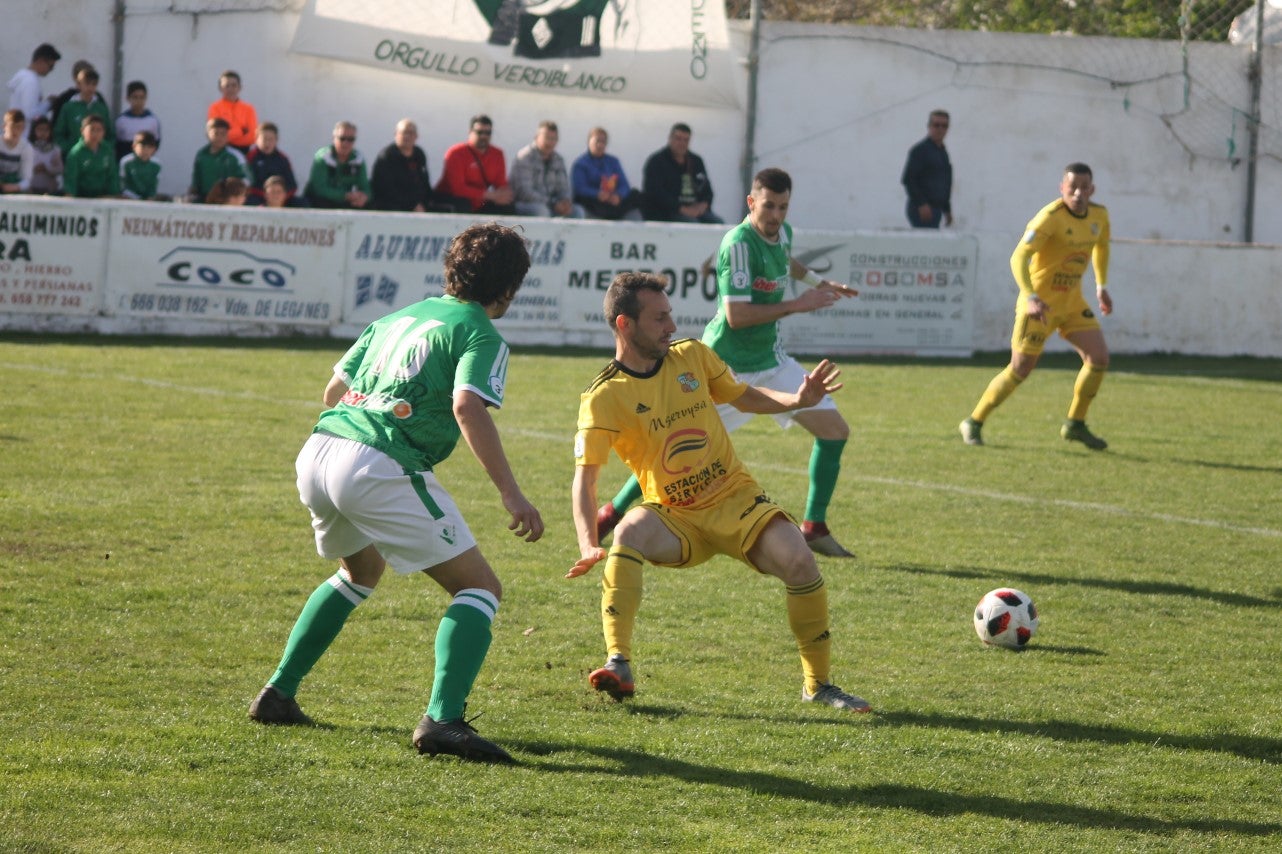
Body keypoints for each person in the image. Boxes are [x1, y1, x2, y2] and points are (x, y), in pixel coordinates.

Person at [249, 222, 544, 765]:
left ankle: (278, 692)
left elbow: (333, 390)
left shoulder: (397, 317)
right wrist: (511, 494)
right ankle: (443, 721)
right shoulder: (480, 332)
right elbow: (466, 406)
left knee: (359, 573)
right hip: (377, 462)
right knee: (479, 588)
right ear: (509, 289)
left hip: (320, 448)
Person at [570, 272, 871, 714]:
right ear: (624, 325)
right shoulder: (602, 396)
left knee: (801, 561)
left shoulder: (692, 355)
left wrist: (797, 400)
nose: (671, 326)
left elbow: (744, 396)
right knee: (630, 528)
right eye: (659, 319)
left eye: (670, 315)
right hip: (675, 516)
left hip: (736, 499)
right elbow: (586, 478)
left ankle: (819, 685)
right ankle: (620, 662)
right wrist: (587, 543)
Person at [596, 168, 861, 558]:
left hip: (771, 360)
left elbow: (787, 261)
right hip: (722, 367)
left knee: (835, 430)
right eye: (768, 206)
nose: (776, 215)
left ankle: (814, 526)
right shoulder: (736, 244)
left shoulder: (782, 232)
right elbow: (736, 316)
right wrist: (798, 305)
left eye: (783, 207)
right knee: (676, 450)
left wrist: (818, 283)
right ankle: (612, 512)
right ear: (751, 202)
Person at [959, 162, 1113, 450]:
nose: (1078, 193)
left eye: (1084, 187)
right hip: (1040, 305)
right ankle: (974, 421)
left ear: (1092, 189)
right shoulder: (1050, 217)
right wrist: (1030, 296)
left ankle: (1075, 424)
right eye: (1072, 187)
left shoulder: (1099, 215)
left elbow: (1102, 246)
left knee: (1099, 357)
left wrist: (1101, 286)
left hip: (1072, 302)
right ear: (1062, 188)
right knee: (1020, 368)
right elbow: (1019, 256)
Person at [641, 122, 721, 223]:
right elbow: (655, 193)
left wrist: (703, 205)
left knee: (718, 223)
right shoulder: (657, 161)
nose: (682, 143)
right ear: (670, 139)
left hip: (695, 210)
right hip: (667, 213)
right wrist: (682, 209)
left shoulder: (696, 161)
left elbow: (707, 189)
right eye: (678, 139)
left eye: (686, 140)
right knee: (692, 224)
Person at [435, 115, 515, 215]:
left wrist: (504, 196)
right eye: (479, 132)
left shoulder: (497, 154)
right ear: (470, 132)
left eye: (488, 133)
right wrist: (490, 195)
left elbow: (501, 184)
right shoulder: (456, 153)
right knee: (463, 204)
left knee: (508, 206)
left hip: (480, 201)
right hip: (451, 199)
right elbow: (457, 189)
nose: (483, 136)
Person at [370, 118, 448, 212]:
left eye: (411, 133)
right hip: (392, 206)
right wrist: (411, 205)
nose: (407, 136)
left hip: (418, 206)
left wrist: (425, 203)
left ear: (416, 136)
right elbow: (385, 190)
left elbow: (424, 184)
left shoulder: (419, 154)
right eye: (404, 132)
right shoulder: (387, 157)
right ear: (396, 135)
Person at [509, 120, 584, 219]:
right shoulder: (525, 157)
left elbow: (564, 188)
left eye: (554, 139)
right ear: (536, 138)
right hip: (524, 205)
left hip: (552, 205)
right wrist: (553, 203)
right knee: (542, 211)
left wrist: (565, 202)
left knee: (577, 212)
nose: (550, 142)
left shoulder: (558, 159)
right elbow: (525, 192)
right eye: (547, 138)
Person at [571, 126, 642, 221]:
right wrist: (598, 194)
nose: (600, 145)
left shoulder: (613, 161)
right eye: (597, 141)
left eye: (603, 142)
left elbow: (625, 185)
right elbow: (580, 188)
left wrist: (618, 195)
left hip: (613, 202)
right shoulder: (580, 164)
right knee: (580, 199)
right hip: (595, 201)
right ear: (589, 142)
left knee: (636, 195)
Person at [901, 110, 953, 229]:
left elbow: (945, 182)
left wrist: (947, 210)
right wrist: (922, 204)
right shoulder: (920, 151)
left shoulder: (942, 153)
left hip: (936, 209)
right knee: (925, 246)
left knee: (931, 245)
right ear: (929, 126)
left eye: (944, 126)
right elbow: (909, 179)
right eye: (936, 125)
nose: (940, 129)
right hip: (922, 210)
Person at [304, 121, 371, 209]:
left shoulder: (358, 159)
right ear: (334, 138)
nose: (346, 143)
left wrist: (364, 197)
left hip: (346, 202)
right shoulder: (323, 158)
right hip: (321, 202)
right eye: (342, 138)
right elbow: (320, 189)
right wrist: (345, 196)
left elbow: (365, 186)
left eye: (351, 139)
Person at [52, 66, 113, 159]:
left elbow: (110, 134)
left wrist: (104, 150)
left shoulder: (101, 108)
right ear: (78, 84)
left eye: (94, 84)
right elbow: (58, 134)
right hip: (74, 159)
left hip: (97, 158)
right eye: (87, 83)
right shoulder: (68, 107)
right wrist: (70, 149)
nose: (91, 88)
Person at [189, 117, 248, 203]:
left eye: (223, 134)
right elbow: (196, 178)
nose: (219, 137)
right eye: (216, 133)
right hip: (204, 197)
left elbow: (248, 179)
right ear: (207, 135)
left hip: (228, 199)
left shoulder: (235, 156)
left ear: (227, 135)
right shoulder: (201, 155)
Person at [62, 113, 119, 198]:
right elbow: (71, 180)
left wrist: (113, 195)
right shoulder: (75, 153)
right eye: (92, 130)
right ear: (82, 131)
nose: (95, 134)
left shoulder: (107, 150)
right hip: (81, 199)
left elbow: (112, 176)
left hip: (103, 198)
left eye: (99, 130)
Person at [245, 122, 300, 206]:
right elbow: (248, 184)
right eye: (264, 139)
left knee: (301, 203)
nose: (267, 143)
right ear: (256, 139)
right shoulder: (250, 158)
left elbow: (292, 185)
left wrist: (280, 196)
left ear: (276, 140)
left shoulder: (283, 159)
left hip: (281, 198)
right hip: (259, 197)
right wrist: (268, 195)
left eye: (271, 139)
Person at [207, 70, 258, 154]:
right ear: (220, 88)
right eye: (227, 86)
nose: (230, 89)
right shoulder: (215, 108)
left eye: (234, 85)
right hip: (222, 152)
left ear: (240, 87)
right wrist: (242, 130)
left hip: (244, 152)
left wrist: (228, 135)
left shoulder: (248, 108)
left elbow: (252, 137)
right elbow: (216, 135)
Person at [7, 43, 60, 122]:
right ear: (40, 61)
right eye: (51, 66)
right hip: (25, 131)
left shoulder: (23, 76)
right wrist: (49, 103)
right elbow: (30, 114)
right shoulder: (31, 81)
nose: (51, 70)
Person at [114, 80, 161, 162]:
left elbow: (156, 142)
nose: (139, 101)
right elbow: (117, 143)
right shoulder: (121, 121)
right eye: (135, 97)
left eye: (142, 97)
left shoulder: (152, 120)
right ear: (128, 99)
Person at [119, 130, 164, 201]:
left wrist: (150, 197)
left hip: (148, 200)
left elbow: (153, 186)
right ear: (134, 146)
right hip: (128, 198)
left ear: (154, 149)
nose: (146, 150)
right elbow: (122, 185)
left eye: (149, 147)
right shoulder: (126, 162)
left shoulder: (156, 165)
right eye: (142, 146)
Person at [0, 110, 33, 194]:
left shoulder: (27, 148)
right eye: (13, 126)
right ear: (4, 126)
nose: (15, 131)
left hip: (13, 189)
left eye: (19, 127)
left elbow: (26, 180)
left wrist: (16, 187)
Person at [27, 115, 62, 194]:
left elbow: (60, 169)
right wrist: (34, 169)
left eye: (46, 130)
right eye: (40, 129)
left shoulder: (55, 150)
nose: (43, 133)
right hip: (31, 189)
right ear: (33, 131)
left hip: (49, 190)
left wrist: (48, 169)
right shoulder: (27, 148)